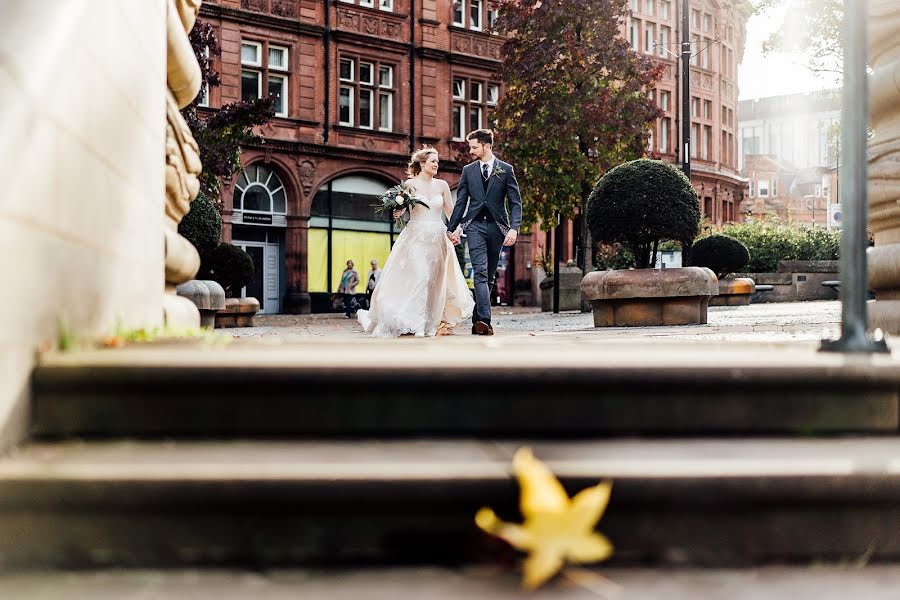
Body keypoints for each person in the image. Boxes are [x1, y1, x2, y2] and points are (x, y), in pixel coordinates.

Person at [357, 148, 475, 337]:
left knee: (433, 281)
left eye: (437, 162)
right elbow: (402, 209)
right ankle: (417, 324)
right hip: (416, 237)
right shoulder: (410, 184)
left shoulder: (443, 185)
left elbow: (451, 213)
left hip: (437, 238)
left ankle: (431, 322)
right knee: (420, 276)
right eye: (433, 161)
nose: (436, 164)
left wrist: (456, 230)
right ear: (422, 163)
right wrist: (397, 211)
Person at [446, 129, 522, 336]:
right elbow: (460, 202)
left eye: (474, 147)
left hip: (498, 228)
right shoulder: (468, 171)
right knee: (480, 273)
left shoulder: (506, 170)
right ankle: (486, 321)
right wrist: (451, 229)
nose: (471, 150)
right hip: (475, 226)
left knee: (488, 276)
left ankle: (477, 319)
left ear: (487, 146)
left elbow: (515, 203)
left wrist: (514, 228)